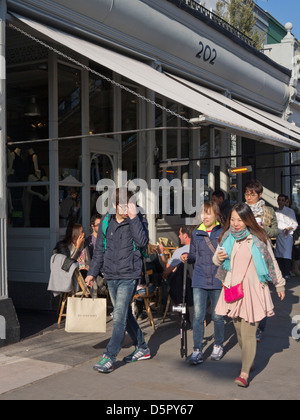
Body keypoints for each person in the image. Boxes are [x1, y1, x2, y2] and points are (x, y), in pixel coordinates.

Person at [213, 203, 285, 388]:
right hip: (233, 289)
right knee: (239, 332)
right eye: (233, 220)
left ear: (247, 219)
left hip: (253, 290)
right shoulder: (228, 237)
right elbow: (216, 258)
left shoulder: (259, 238)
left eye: (240, 220)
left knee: (249, 332)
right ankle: (249, 359)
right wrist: (218, 258)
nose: (236, 224)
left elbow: (271, 262)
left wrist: (280, 284)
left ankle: (244, 373)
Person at [85, 188, 150, 373]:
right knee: (125, 315)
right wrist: (92, 272)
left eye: (129, 203)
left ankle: (109, 356)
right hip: (111, 275)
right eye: (122, 204)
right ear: (114, 205)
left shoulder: (138, 219)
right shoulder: (106, 222)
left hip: (129, 275)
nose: (126, 208)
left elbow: (143, 242)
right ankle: (143, 347)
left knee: (119, 317)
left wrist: (134, 217)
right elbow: (99, 251)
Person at [181, 201, 224, 365]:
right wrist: (187, 256)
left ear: (216, 215)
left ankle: (218, 344)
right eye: (202, 213)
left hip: (218, 279)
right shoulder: (196, 233)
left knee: (218, 316)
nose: (204, 216)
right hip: (199, 279)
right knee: (198, 316)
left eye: (208, 213)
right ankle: (197, 349)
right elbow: (193, 255)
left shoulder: (222, 232)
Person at [244, 179, 278, 341]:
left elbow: (275, 230)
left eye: (252, 195)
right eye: (247, 194)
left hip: (262, 255)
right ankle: (248, 324)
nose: (249, 197)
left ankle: (259, 327)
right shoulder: (241, 210)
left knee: (261, 292)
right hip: (244, 254)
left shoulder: (268, 210)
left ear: (260, 195)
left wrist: (265, 230)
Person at [158, 225, 195, 324]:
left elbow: (166, 272)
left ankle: (164, 307)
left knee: (166, 280)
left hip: (181, 288)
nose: (178, 236)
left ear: (185, 236)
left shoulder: (180, 252)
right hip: (196, 286)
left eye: (180, 234)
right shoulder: (198, 249)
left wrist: (161, 253)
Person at [274, 194, 298, 280]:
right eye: (279, 200)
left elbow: (295, 224)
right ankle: (280, 273)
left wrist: (289, 228)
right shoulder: (276, 212)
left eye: (282, 200)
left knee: (286, 255)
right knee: (278, 255)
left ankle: (287, 273)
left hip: (287, 236)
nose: (280, 202)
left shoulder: (290, 211)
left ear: (285, 202)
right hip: (279, 236)